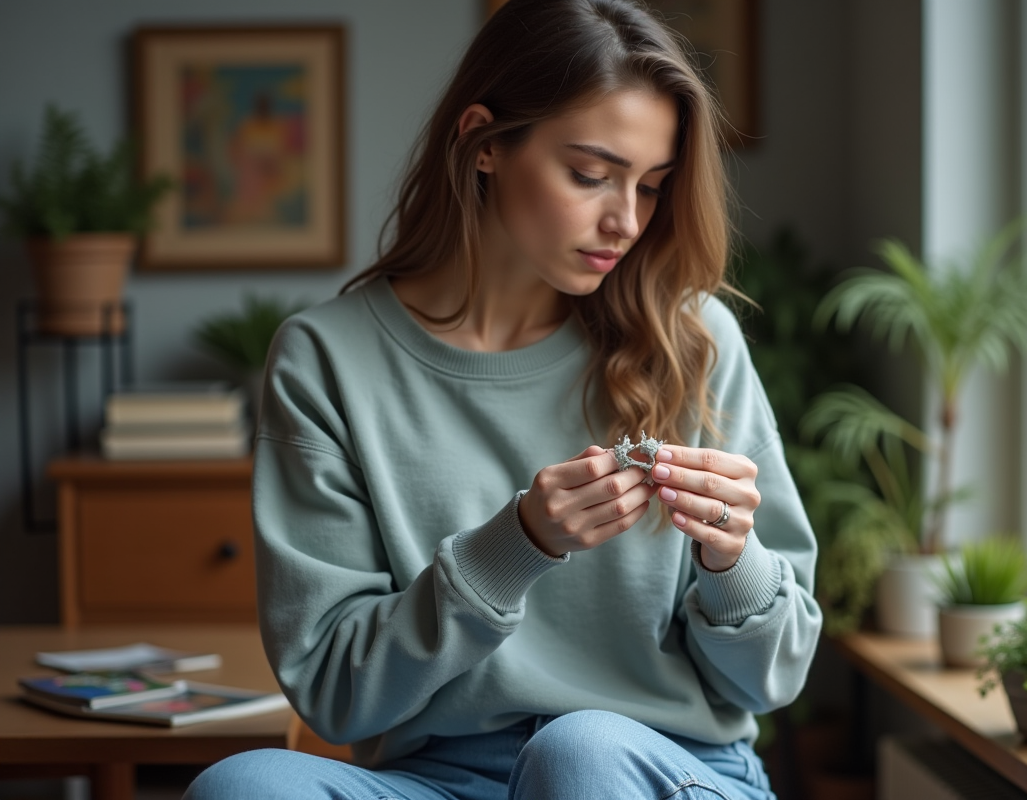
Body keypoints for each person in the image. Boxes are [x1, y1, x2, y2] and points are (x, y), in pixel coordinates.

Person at [184, 1, 821, 798]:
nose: (625, 220)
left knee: (580, 754)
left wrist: (731, 559)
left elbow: (776, 680)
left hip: (666, 768)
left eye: (652, 187)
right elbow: (335, 696)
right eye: (590, 175)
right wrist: (512, 547)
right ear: (484, 142)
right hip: (440, 780)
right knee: (242, 788)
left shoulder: (694, 339)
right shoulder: (327, 360)